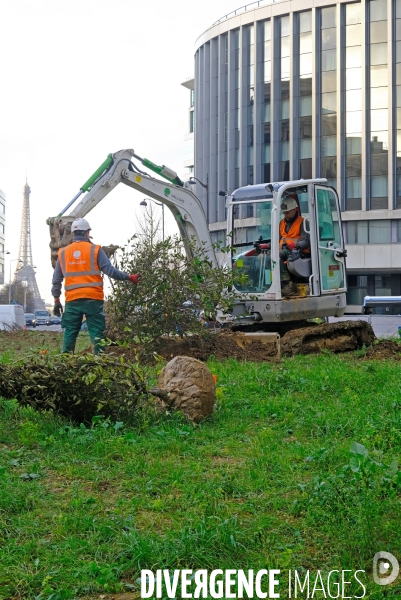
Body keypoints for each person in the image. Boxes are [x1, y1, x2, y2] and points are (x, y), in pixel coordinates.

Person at [51, 218, 139, 354]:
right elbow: (111, 271)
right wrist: (129, 277)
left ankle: (65, 361)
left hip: (72, 300)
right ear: (87, 233)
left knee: (70, 332)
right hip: (93, 299)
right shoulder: (96, 250)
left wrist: (56, 300)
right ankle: (100, 362)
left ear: (73, 234)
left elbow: (56, 280)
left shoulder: (63, 253)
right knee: (96, 332)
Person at [278, 195, 310, 295]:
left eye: (287, 212)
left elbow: (307, 242)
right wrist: (267, 246)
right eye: (284, 213)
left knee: (277, 256)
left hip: (300, 252)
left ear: (294, 209)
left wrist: (295, 244)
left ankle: (287, 286)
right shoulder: (281, 223)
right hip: (286, 250)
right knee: (268, 255)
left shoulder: (303, 222)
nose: (285, 215)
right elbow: (278, 239)